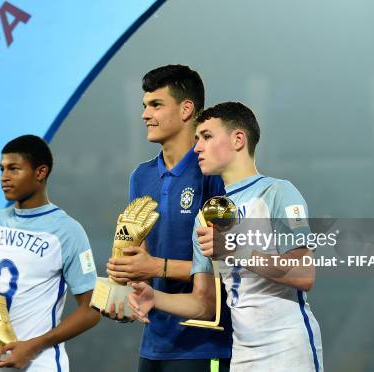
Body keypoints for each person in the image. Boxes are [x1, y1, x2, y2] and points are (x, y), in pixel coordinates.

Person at [129, 102, 324, 371]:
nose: (197, 147)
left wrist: (231, 247)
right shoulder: (205, 215)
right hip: (241, 353)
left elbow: (304, 274)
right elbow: (203, 304)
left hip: (287, 346)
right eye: (196, 138)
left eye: (207, 137)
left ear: (238, 139)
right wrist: (155, 298)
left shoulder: (278, 192)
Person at [106, 65, 232, 372]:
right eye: (144, 106)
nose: (145, 115)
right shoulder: (141, 177)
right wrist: (125, 281)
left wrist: (154, 266)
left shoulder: (215, 173)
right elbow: (145, 262)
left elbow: (230, 262)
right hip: (154, 342)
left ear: (187, 109)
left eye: (156, 105)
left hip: (204, 344)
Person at [0, 135, 100, 371]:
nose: (4, 178)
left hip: (39, 363)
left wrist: (32, 346)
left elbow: (91, 309)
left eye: (14, 169)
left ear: (40, 172)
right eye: (1, 169)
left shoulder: (68, 231)